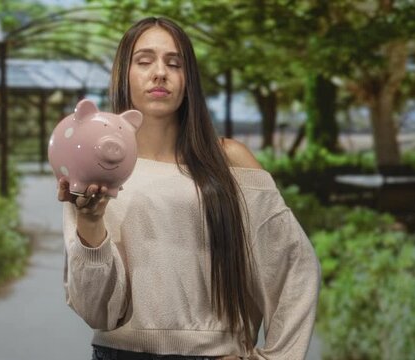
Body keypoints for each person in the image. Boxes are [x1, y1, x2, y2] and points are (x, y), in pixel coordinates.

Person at [58, 17, 320, 360]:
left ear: (188, 80)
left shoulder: (229, 161)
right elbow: (95, 312)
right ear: (124, 74)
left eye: (174, 63)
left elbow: (295, 266)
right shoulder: (92, 166)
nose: (160, 73)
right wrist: (90, 223)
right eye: (144, 60)